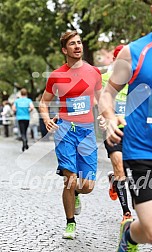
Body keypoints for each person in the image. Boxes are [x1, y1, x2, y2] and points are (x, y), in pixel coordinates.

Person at [99, 1, 152, 251]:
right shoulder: (135, 51)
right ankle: (129, 235)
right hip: (144, 153)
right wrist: (109, 116)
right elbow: (108, 94)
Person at [39, 30, 103, 240]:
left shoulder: (94, 72)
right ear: (64, 50)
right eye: (72, 44)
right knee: (70, 179)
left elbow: (101, 100)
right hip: (65, 130)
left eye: (79, 43)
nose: (77, 46)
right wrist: (47, 118)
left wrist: (104, 116)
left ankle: (76, 194)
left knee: (87, 186)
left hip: (86, 132)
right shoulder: (57, 75)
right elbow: (43, 102)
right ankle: (70, 223)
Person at [102, 45, 132, 223]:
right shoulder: (105, 79)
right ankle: (126, 213)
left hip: (134, 132)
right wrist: (102, 116)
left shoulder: (138, 80)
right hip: (112, 131)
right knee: (119, 166)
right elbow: (97, 99)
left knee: (130, 171)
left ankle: (114, 180)